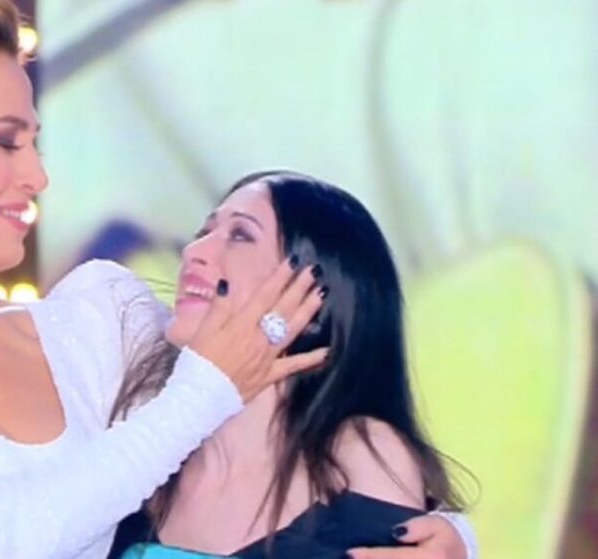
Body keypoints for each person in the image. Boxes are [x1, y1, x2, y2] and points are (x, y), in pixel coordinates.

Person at [0, 1, 474, 557]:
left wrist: (444, 533)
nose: (37, 176)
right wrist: (203, 390)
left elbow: (275, 436)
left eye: (36, 142)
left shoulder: (98, 322)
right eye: (5, 142)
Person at [108, 171, 477, 559]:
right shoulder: (138, 449)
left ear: (315, 291)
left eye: (240, 235)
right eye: (204, 231)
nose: (194, 251)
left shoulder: (359, 457)